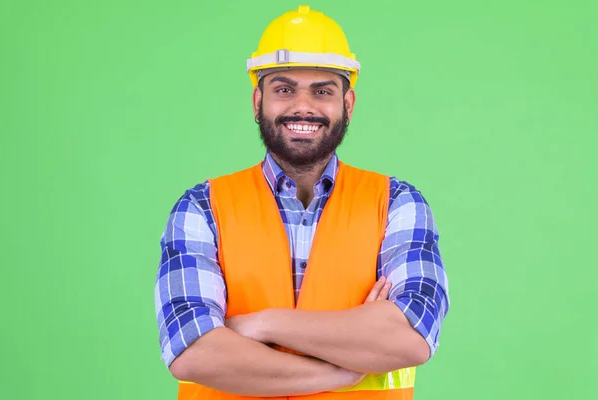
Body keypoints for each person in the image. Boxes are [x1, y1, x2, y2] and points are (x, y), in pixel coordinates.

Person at [154, 5, 450, 400]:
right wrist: (345, 371)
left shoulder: (397, 205)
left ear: (348, 104)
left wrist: (262, 324)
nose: (303, 106)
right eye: (284, 89)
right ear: (258, 100)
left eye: (323, 90)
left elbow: (412, 338)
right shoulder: (202, 208)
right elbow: (193, 352)